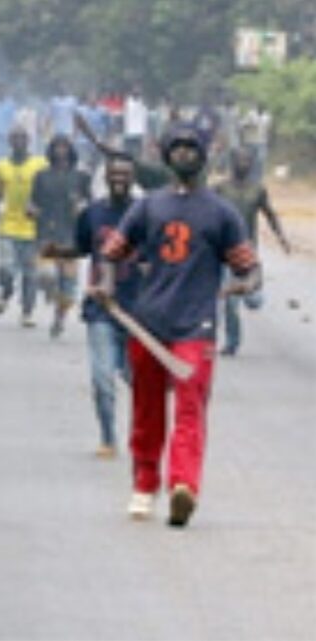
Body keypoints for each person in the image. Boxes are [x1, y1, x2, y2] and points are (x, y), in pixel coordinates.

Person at [100, 123, 261, 528]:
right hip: (149, 325)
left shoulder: (221, 212)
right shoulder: (148, 206)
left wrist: (247, 283)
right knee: (147, 410)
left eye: (193, 148)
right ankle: (143, 485)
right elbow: (112, 252)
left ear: (204, 157)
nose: (186, 153)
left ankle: (183, 486)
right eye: (179, 147)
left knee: (191, 408)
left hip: (196, 328)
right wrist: (104, 283)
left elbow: (249, 265)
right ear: (167, 156)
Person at [41, 154, 141, 457]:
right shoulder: (93, 213)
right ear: (106, 177)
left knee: (136, 378)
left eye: (125, 174)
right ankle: (108, 436)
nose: (119, 179)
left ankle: (144, 435)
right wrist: (58, 251)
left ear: (133, 178)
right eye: (114, 174)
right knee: (102, 378)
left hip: (139, 310)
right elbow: (83, 248)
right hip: (101, 306)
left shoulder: (145, 213)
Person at [214, 145, 291, 356]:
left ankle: (255, 295)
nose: (243, 164)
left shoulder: (258, 189)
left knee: (253, 301)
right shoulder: (220, 189)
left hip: (248, 252)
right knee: (230, 303)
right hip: (225, 253)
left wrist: (281, 237)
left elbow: (270, 214)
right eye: (240, 160)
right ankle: (232, 342)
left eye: (247, 161)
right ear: (232, 162)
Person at [29, 134, 91, 338]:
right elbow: (33, 201)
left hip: (72, 236)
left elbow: (90, 204)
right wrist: (31, 211)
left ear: (71, 151)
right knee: (46, 275)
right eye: (57, 146)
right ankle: (49, 294)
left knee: (69, 287)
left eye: (65, 146)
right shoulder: (41, 176)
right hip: (46, 232)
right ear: (51, 150)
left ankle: (59, 318)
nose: (61, 150)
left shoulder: (81, 177)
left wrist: (82, 209)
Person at [0, 125, 48, 326]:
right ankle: (6, 291)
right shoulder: (1, 166)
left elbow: (48, 189)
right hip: (8, 225)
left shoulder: (40, 164)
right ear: (9, 141)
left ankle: (27, 313)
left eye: (22, 138)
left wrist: (42, 209)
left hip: (32, 227)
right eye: (15, 138)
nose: (19, 142)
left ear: (29, 141)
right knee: (6, 267)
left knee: (30, 273)